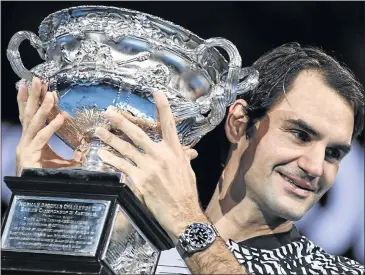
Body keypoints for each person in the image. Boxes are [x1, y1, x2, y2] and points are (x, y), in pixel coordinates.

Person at [15, 42, 364, 274]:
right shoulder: (124, 247)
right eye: (300, 135)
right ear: (240, 124)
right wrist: (38, 213)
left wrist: (186, 222)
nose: (316, 167)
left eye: (333, 153)